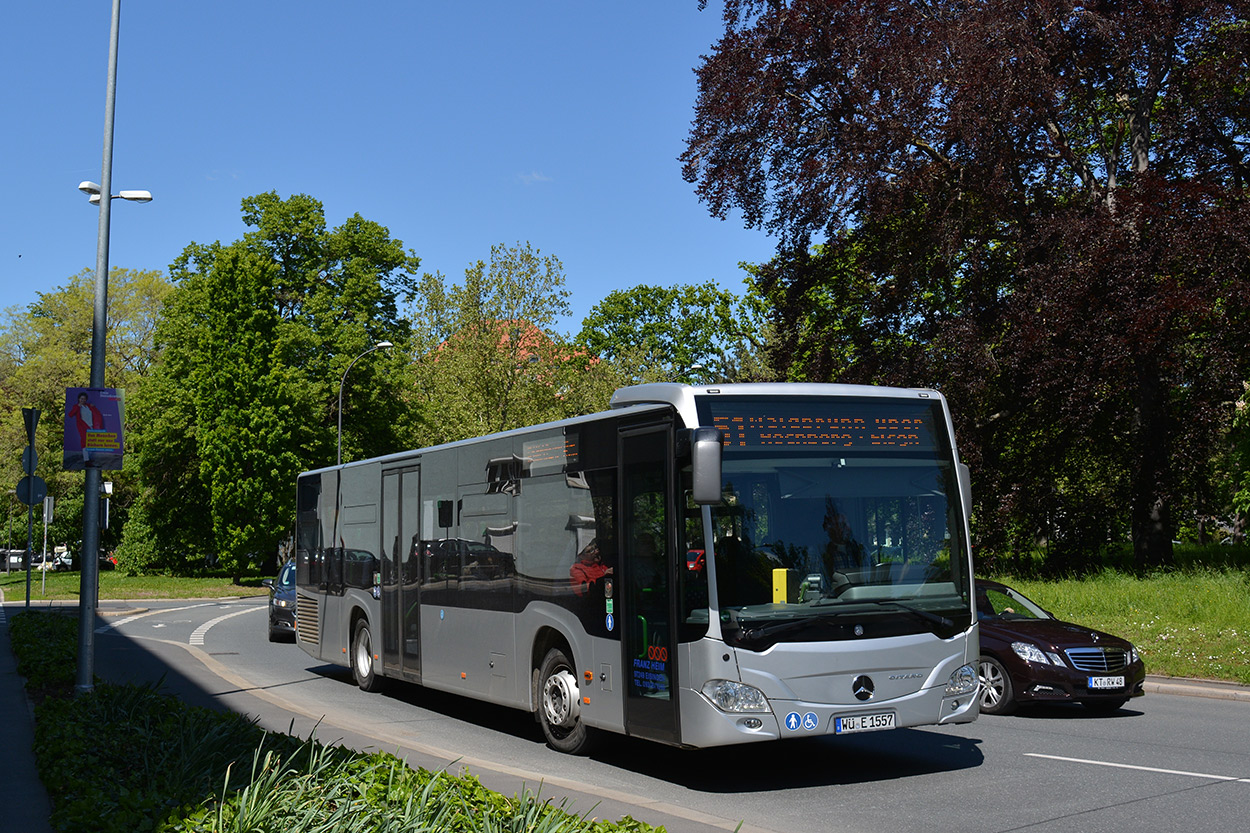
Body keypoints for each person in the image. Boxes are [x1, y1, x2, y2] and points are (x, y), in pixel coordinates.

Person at [67, 391, 104, 462]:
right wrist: (78, 406)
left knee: (91, 443)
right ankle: (86, 460)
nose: (82, 400)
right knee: (84, 442)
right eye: (81, 399)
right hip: (83, 426)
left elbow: (95, 414)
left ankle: (89, 458)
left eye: (84, 399)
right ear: (78, 399)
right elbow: (70, 414)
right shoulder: (76, 406)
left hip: (91, 426)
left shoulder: (88, 406)